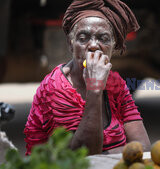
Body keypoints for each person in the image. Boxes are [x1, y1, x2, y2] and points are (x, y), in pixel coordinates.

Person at [24, 0, 151, 155]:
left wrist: (108, 154)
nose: (93, 46)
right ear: (71, 44)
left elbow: (143, 147)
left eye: (103, 39)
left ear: (113, 46)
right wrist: (95, 89)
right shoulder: (56, 88)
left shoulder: (115, 83)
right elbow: (83, 156)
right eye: (83, 38)